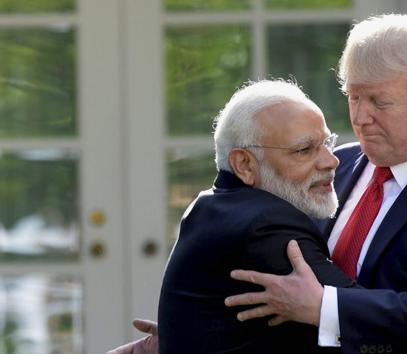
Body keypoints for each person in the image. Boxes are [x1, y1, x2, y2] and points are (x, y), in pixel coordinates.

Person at [223, 14, 407, 354]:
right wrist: (195, 333)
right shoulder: (336, 164)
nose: (360, 117)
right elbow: (271, 279)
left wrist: (327, 308)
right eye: (353, 97)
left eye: (379, 102)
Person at [113, 79, 356, 354]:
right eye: (304, 149)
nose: (331, 160)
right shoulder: (268, 225)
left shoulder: (207, 205)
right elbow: (366, 321)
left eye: (328, 143)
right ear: (244, 164)